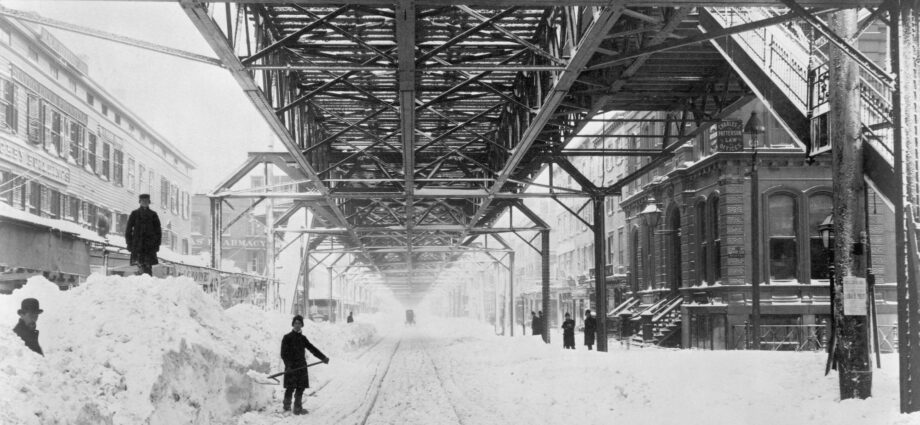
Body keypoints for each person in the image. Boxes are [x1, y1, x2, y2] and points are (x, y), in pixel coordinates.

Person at [280, 315, 329, 415]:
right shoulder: (287, 337)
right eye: (296, 323)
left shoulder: (303, 338)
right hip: (291, 367)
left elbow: (312, 349)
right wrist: (288, 365)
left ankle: (297, 408)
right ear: (293, 324)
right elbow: (283, 354)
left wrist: (323, 357)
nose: (297, 325)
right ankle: (286, 405)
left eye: (299, 323)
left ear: (302, 325)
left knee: (300, 387)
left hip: (301, 366)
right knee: (290, 387)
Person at [125, 194, 161, 275]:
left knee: (148, 269)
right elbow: (128, 230)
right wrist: (129, 244)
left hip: (149, 247)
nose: (144, 203)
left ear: (149, 202)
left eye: (146, 201)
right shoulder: (134, 214)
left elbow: (158, 232)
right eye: (143, 201)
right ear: (140, 202)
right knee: (137, 268)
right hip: (137, 246)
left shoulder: (153, 215)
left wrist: (157, 245)